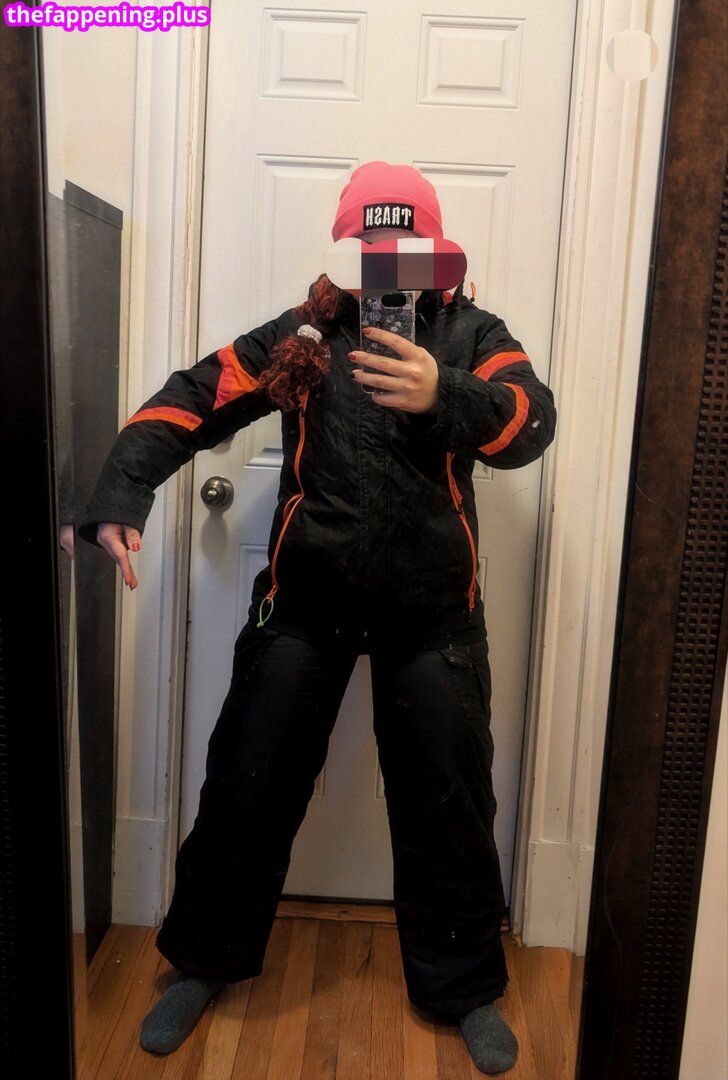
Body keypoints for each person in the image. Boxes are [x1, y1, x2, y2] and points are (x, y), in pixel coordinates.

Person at [78, 162, 557, 1074]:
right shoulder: (305, 333)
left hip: (434, 614)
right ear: (352, 246)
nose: (387, 258)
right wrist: (119, 494)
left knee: (450, 802)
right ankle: (202, 962)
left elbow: (531, 425)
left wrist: (444, 392)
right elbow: (193, 396)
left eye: (403, 242)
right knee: (246, 784)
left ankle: (462, 988)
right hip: (305, 604)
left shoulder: (475, 334)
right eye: (371, 243)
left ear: (433, 246)